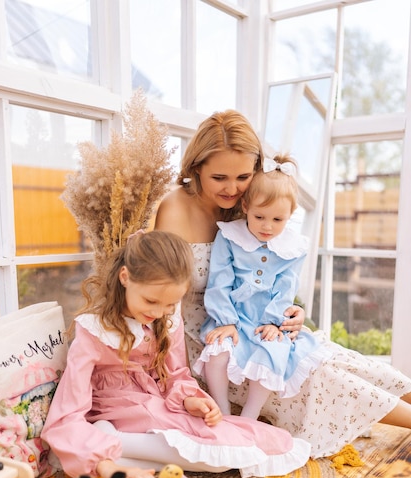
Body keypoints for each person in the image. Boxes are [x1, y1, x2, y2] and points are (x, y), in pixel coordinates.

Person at [155, 109, 411, 458]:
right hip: (210, 338)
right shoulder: (174, 208)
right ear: (196, 168)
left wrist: (292, 312)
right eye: (219, 177)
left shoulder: (250, 208)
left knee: (339, 359)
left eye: (243, 176)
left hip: (261, 325)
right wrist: (173, 374)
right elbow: (159, 296)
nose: (232, 189)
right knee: (325, 378)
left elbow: (275, 271)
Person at [41, 230, 311, 478]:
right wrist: (105, 467)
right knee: (218, 454)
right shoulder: (94, 331)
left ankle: (110, 447)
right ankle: (100, 447)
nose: (159, 313)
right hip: (118, 412)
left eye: (170, 304)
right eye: (150, 301)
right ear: (125, 277)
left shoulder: (166, 320)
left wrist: (190, 400)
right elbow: (66, 413)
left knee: (247, 442)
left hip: (157, 407)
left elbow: (176, 374)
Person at [193, 155, 331, 420]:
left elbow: (286, 287)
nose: (267, 226)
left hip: (265, 320)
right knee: (218, 353)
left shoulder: (293, 248)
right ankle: (220, 409)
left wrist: (274, 322)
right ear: (245, 206)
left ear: (290, 215)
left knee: (273, 352)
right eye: (260, 216)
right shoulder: (229, 236)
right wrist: (226, 320)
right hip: (232, 316)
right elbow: (219, 280)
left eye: (278, 220)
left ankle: (249, 417)